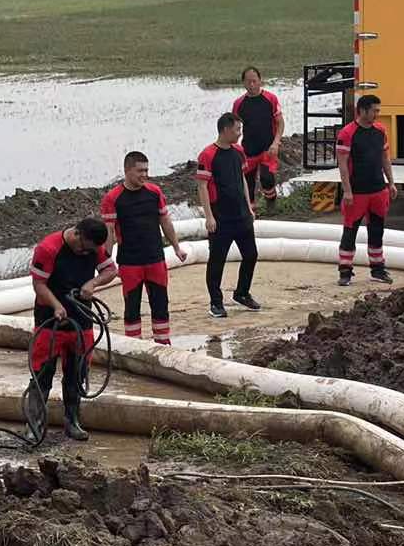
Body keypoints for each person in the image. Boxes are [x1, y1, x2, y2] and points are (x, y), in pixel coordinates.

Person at [29, 217, 118, 442]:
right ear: (76, 234)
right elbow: (38, 285)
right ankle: (35, 426)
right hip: (50, 321)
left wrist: (93, 283)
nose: (83, 252)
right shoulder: (48, 249)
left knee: (77, 373)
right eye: (82, 247)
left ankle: (72, 422)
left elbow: (111, 271)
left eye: (89, 250)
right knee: (42, 373)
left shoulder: (93, 248)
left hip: (81, 319)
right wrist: (56, 305)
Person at [101, 150, 186, 346]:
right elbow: (109, 233)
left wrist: (176, 247)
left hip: (155, 258)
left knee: (161, 304)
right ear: (127, 170)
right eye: (140, 171)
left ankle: (163, 344)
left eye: (146, 170)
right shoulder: (113, 198)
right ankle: (134, 346)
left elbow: (165, 221)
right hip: (130, 262)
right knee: (132, 307)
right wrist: (106, 261)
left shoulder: (154, 192)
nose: (144, 175)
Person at [197, 112, 260, 318]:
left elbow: (242, 177)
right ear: (225, 130)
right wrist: (209, 216)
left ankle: (242, 293)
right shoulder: (207, 155)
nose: (240, 134)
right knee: (217, 261)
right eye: (237, 130)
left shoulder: (238, 151)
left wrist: (249, 206)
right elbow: (202, 187)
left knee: (251, 255)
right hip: (220, 217)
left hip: (241, 215)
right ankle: (216, 302)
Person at [336, 94, 395, 287]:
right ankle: (345, 271)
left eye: (378, 110)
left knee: (377, 230)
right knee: (350, 230)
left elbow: (385, 158)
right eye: (375, 110)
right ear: (362, 110)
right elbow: (342, 165)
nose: (377, 114)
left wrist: (391, 182)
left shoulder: (380, 131)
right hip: (357, 191)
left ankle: (377, 269)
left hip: (378, 190)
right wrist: (347, 191)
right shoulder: (347, 133)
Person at [232, 66, 285, 211]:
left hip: (268, 148)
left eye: (254, 81)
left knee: (267, 179)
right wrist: (233, 147)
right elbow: (233, 128)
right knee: (247, 184)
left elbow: (280, 123)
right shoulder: (239, 104)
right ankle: (251, 212)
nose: (252, 85)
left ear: (260, 81)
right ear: (243, 83)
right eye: (248, 82)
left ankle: (271, 205)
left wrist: (276, 142)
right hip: (248, 149)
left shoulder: (270, 99)